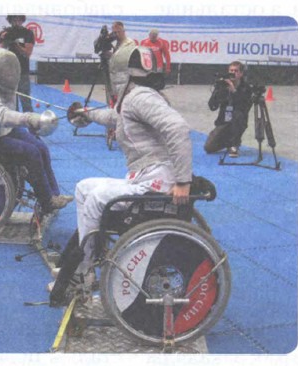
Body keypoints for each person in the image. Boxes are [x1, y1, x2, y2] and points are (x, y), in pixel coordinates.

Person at [49, 46, 193, 306]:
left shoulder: (141, 97)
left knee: (97, 199)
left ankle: (83, 271)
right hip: (144, 177)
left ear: (125, 74)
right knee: (83, 188)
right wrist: (86, 114)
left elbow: (178, 127)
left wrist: (183, 181)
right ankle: (84, 264)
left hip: (157, 180)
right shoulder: (137, 97)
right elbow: (115, 116)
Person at [0, 48, 73, 214]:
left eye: (11, 69)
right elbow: (4, 116)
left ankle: (54, 194)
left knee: (41, 147)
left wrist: (33, 125)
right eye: (5, 69)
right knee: (31, 152)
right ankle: (47, 201)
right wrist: (29, 118)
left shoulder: (8, 88)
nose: (9, 73)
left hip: (2, 132)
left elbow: (11, 117)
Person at [203, 61, 253, 158]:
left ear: (241, 73)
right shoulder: (223, 85)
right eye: (231, 70)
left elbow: (244, 107)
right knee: (209, 147)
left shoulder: (246, 88)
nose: (233, 73)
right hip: (224, 121)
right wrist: (219, 90)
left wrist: (234, 91)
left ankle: (234, 143)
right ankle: (228, 142)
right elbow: (212, 106)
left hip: (238, 121)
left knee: (238, 115)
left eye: (236, 71)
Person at [0, 15, 35, 112]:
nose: (17, 22)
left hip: (23, 70)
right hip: (9, 70)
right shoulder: (5, 33)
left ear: (22, 20)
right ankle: (13, 120)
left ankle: (29, 119)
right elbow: (0, 51)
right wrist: (5, 40)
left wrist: (15, 44)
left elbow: (27, 53)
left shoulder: (28, 33)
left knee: (25, 100)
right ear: (10, 21)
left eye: (19, 20)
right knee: (11, 101)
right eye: (14, 20)